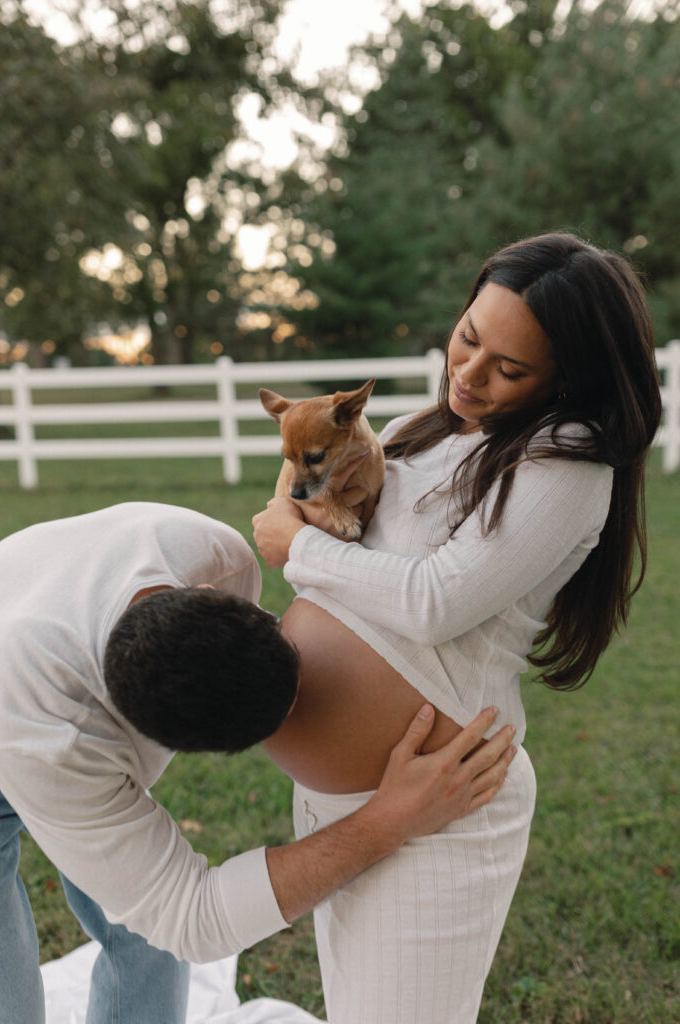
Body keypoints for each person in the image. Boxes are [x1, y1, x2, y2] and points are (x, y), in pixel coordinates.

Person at [252, 232, 663, 1023]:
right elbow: (313, 502)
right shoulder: (426, 428)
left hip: (442, 809)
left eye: (508, 368)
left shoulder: (565, 467)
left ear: (567, 378)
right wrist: (299, 515)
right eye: (467, 338)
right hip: (342, 803)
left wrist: (294, 544)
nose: (466, 375)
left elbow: (434, 601)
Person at [0, 500, 516, 1024]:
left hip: (26, 606)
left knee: (142, 930)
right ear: (128, 735)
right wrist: (387, 822)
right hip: (12, 708)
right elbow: (188, 916)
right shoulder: (59, 743)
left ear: (205, 595)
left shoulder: (211, 555)